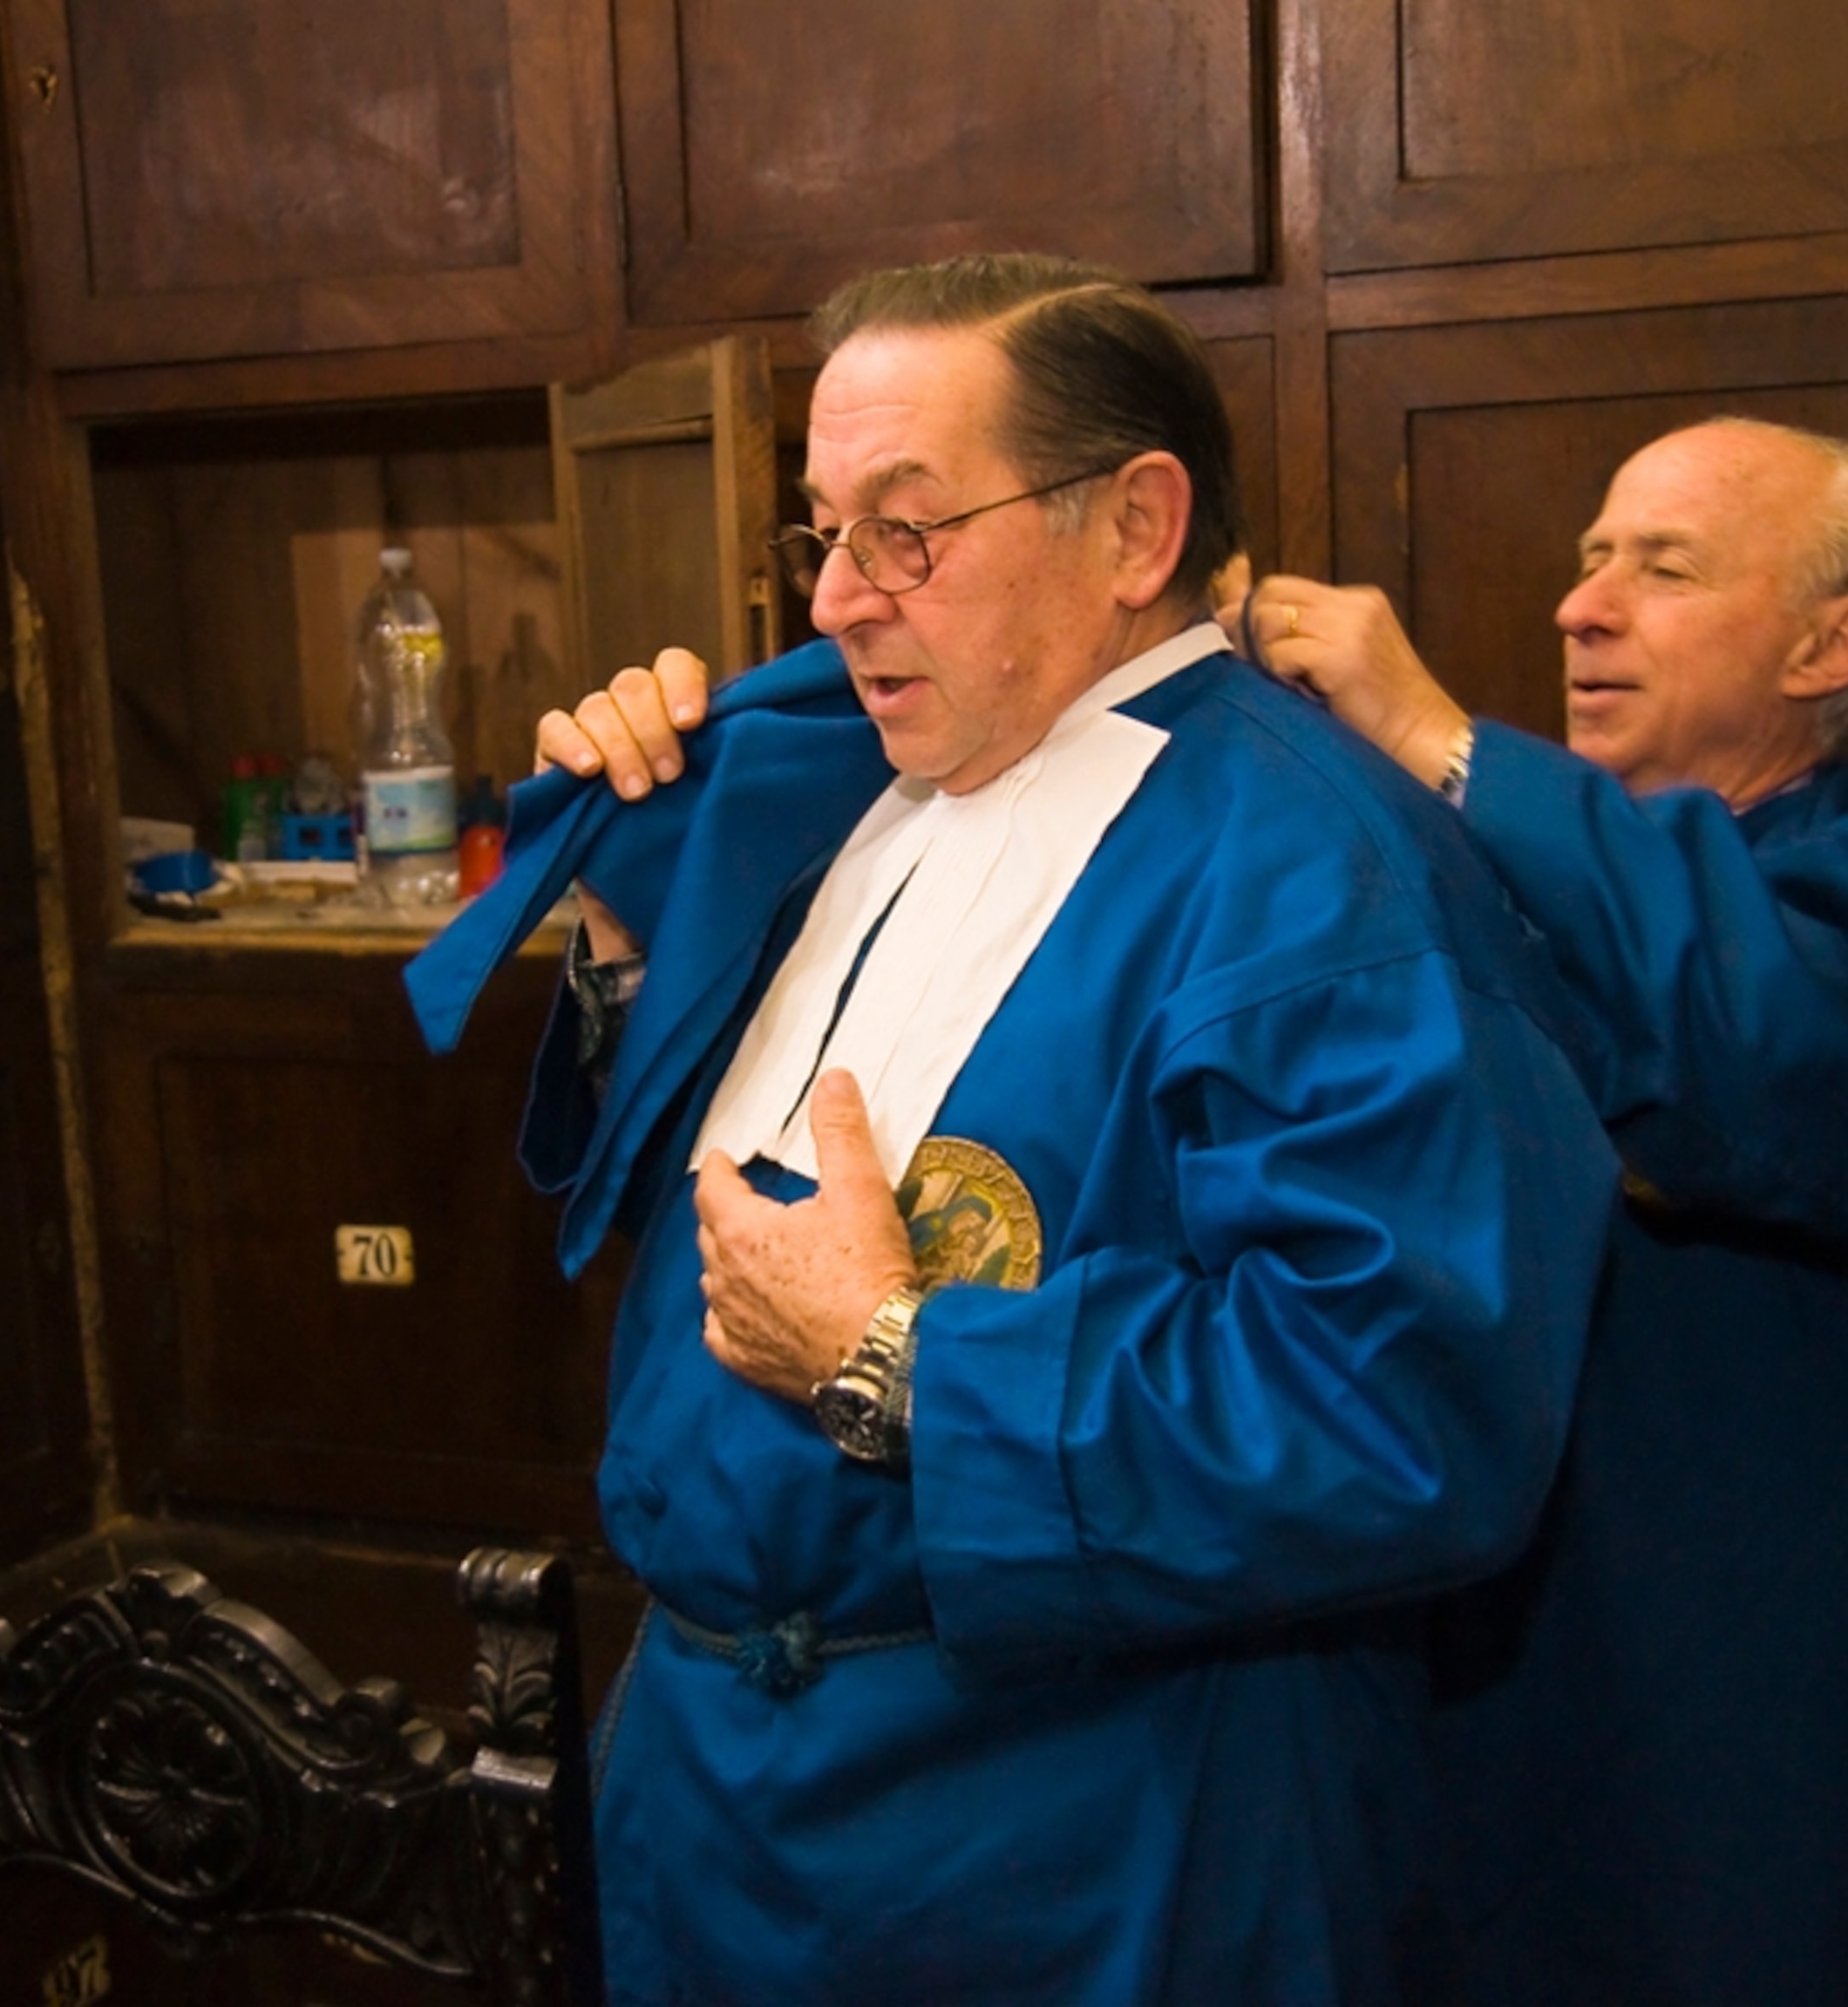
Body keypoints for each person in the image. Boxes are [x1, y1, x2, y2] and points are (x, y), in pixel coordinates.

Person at [408, 253, 1619, 2004]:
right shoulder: (880, 782)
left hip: (1061, 1829)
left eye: (906, 532)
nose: (834, 599)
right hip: (726, 1786)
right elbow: (782, 1172)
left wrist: (897, 1357)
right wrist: (618, 955)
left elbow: (1411, 1399)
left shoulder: (1314, 876)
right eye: (822, 533)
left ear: (1135, 528)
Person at [1229, 418, 1848, 2004]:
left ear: (1837, 643)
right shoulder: (1480, 881)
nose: (1582, 607)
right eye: (1587, 559)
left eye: (1662, 567)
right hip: (1465, 1703)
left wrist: (1433, 730)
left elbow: (1741, 1041)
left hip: (1749, 1758)